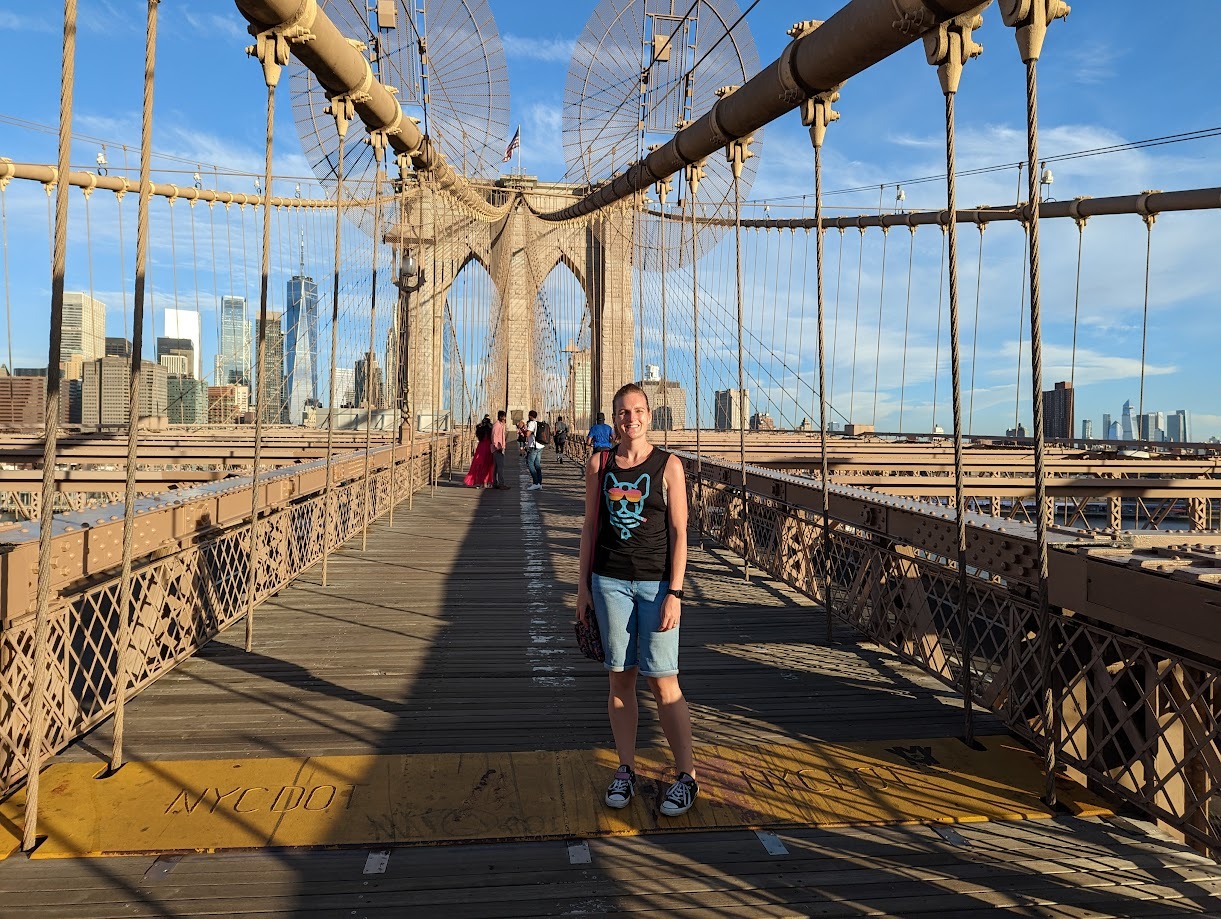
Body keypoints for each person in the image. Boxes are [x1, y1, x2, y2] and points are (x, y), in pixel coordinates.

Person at [576, 382, 696, 816]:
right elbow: (590, 526)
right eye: (624, 412)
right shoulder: (599, 463)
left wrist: (675, 593)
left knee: (663, 681)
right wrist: (582, 588)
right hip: (609, 583)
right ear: (614, 419)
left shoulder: (669, 465)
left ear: (649, 415)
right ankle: (625, 769)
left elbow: (680, 532)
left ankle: (687, 776)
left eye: (639, 410)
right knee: (620, 679)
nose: (632, 418)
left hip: (657, 586)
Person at [463, 415, 495, 488]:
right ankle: (486, 481)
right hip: (488, 447)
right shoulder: (490, 428)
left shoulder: (480, 429)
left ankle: (480, 481)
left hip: (481, 447)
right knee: (488, 465)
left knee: (480, 465)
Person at [525, 409, 545, 490]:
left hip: (534, 446)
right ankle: (539, 483)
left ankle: (535, 483)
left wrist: (524, 430)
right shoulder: (538, 423)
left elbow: (527, 434)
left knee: (530, 463)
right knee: (537, 464)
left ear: (530, 416)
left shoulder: (531, 423)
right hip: (540, 446)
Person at [490, 411, 510, 489]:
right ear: (501, 417)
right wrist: (497, 447)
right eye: (504, 417)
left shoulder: (501, 425)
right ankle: (501, 484)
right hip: (497, 449)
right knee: (500, 467)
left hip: (499, 448)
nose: (505, 418)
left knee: (496, 467)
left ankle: (495, 483)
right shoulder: (497, 425)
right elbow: (494, 437)